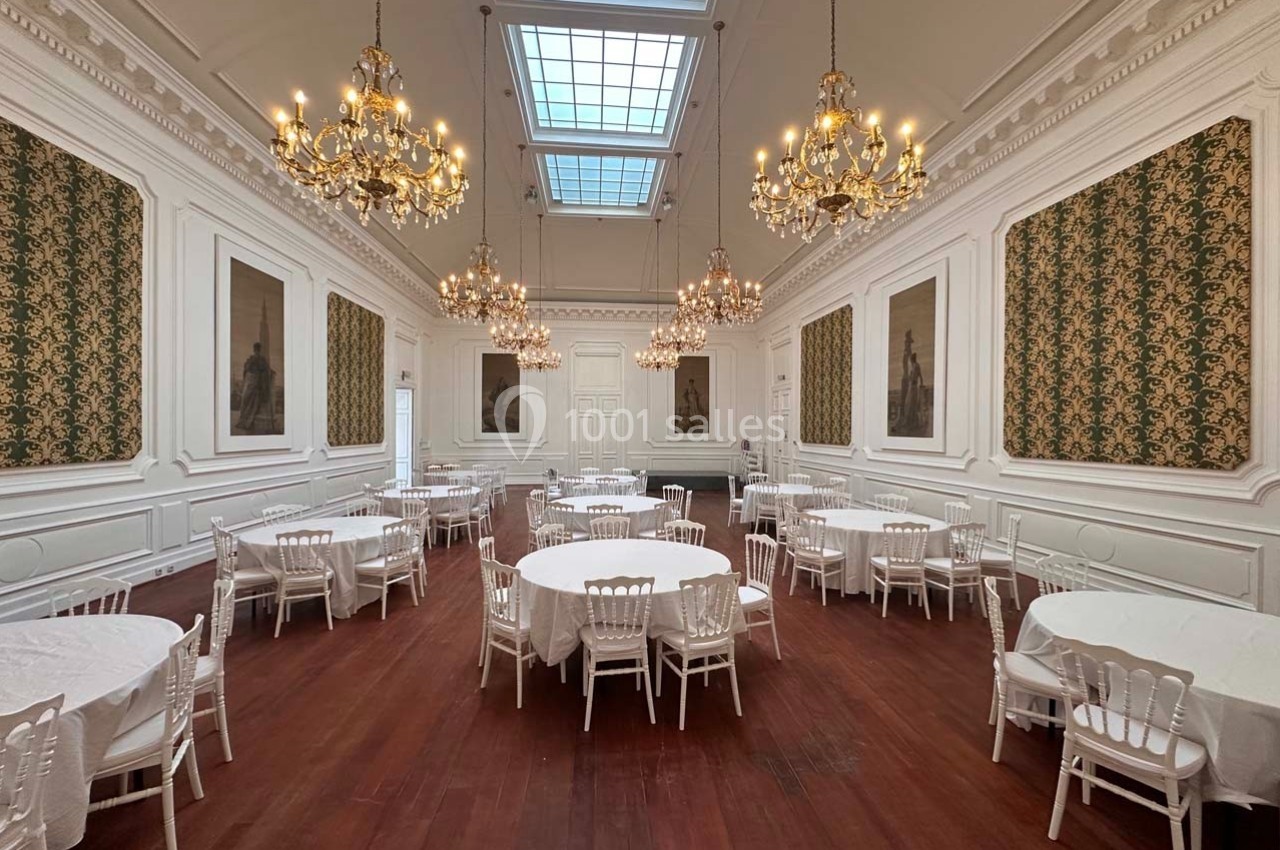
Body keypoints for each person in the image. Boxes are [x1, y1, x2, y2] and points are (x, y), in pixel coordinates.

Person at [236, 341, 274, 432]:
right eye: (256, 349)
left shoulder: (253, 359)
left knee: (248, 402)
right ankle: (245, 422)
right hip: (252, 384)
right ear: (257, 350)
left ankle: (245, 422)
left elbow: (246, 372)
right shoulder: (254, 360)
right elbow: (264, 371)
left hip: (252, 384)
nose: (256, 351)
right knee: (248, 402)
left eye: (257, 349)